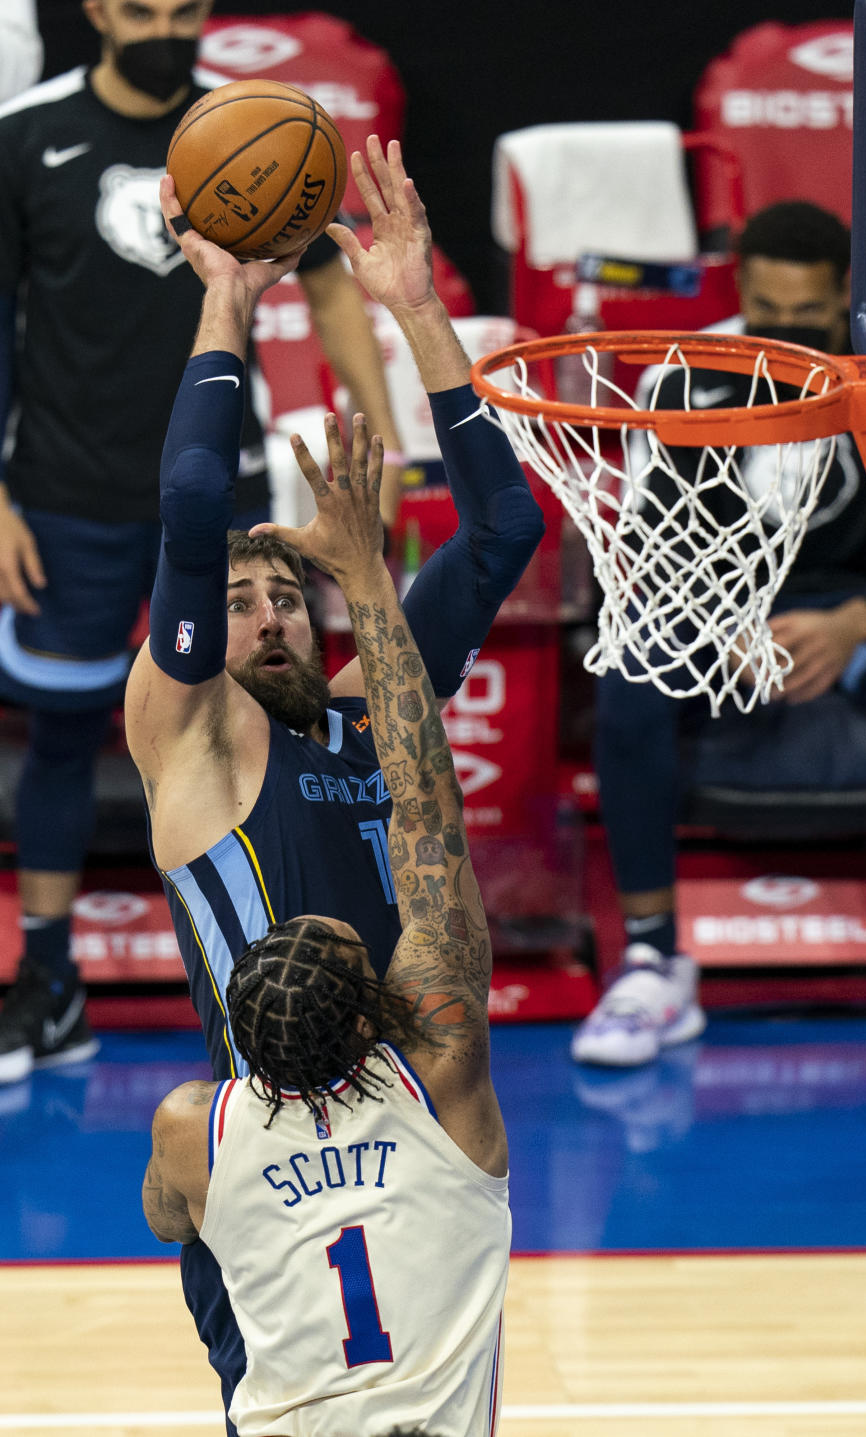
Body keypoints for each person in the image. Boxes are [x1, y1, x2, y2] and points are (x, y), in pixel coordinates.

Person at [129, 134, 538, 1432]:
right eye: (238, 602)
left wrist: (418, 309)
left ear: (322, 612)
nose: (264, 617)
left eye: (283, 595)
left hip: (410, 1104)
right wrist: (230, 300)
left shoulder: (378, 706)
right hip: (267, 1139)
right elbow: (196, 501)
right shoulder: (196, 737)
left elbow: (503, 533)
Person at [0, 0, 410, 1085]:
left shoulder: (260, 128)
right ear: (94, 9)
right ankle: (48, 979)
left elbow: (331, 296)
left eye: (183, 8)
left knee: (259, 737)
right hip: (64, 494)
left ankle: (282, 989)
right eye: (140, 9)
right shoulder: (25, 136)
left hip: (220, 505)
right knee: (58, 729)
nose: (164, 26)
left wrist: (389, 443)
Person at [573, 199, 866, 1066]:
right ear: (742, 290)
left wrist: (856, 621)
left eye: (808, 316)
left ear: (844, 301)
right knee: (631, 666)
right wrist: (728, 620)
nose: (784, 332)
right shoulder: (681, 377)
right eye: (767, 312)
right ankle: (651, 959)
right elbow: (650, 540)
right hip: (729, 618)